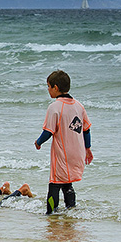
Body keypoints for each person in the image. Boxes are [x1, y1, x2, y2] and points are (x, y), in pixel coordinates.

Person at [34, 69, 93, 214]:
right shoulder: (79, 106)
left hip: (62, 153)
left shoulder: (55, 107)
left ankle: (51, 213)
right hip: (77, 152)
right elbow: (86, 129)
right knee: (67, 183)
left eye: (48, 86)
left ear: (56, 87)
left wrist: (38, 142)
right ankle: (71, 211)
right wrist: (88, 148)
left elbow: (48, 131)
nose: (48, 89)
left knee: (54, 183)